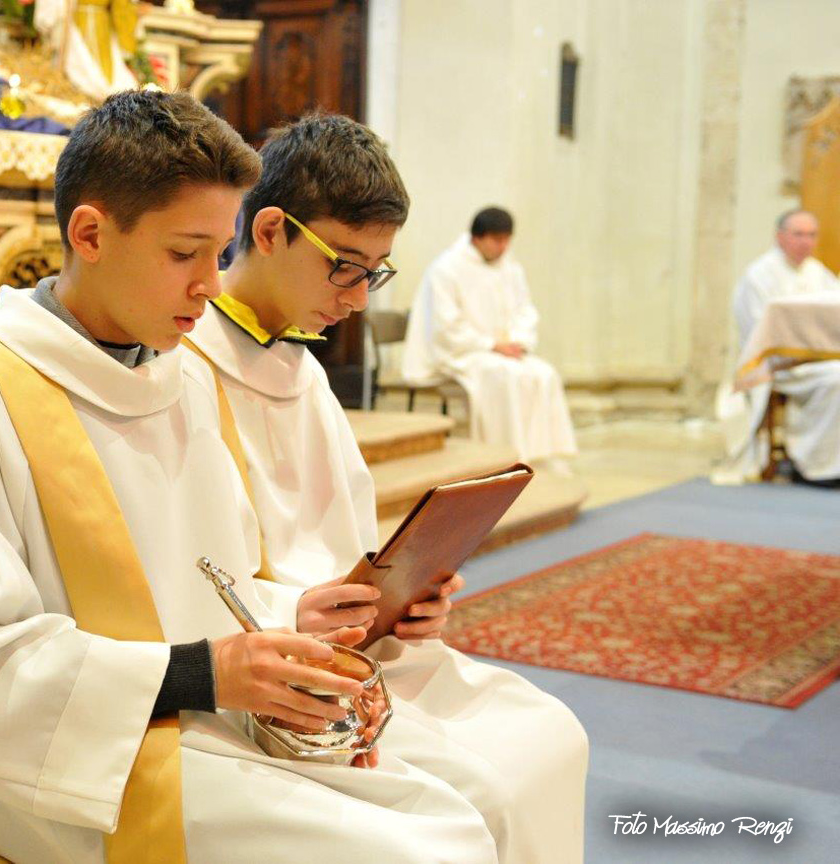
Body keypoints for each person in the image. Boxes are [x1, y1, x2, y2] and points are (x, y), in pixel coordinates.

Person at [0, 91, 498, 863]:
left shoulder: (180, 377)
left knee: (458, 814)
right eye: (184, 253)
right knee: (423, 851)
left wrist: (296, 612)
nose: (211, 284)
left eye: (220, 252)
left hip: (205, 714)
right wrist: (201, 674)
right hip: (69, 770)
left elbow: (214, 581)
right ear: (90, 234)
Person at [184, 113, 588, 863]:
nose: (361, 298)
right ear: (269, 231)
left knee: (552, 736)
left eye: (375, 271)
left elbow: (349, 544)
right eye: (345, 266)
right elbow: (180, 576)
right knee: (489, 792)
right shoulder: (179, 363)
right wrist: (293, 609)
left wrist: (406, 594)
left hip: (361, 647)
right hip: (272, 669)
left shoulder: (302, 371)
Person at [402, 207, 577, 468]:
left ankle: (542, 457)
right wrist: (491, 345)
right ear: (477, 237)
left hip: (502, 351)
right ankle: (505, 458)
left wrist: (518, 341)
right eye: (497, 240)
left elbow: (525, 311)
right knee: (505, 376)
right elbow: (446, 326)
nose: (504, 247)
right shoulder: (446, 269)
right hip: (460, 352)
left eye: (507, 240)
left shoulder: (510, 268)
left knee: (544, 374)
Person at [719, 209, 840, 484]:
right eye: (798, 234)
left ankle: (829, 459)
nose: (806, 242)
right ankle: (815, 465)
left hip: (816, 361)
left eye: (812, 235)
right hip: (779, 365)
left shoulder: (817, 271)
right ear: (780, 236)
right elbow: (758, 331)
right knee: (837, 379)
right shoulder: (760, 275)